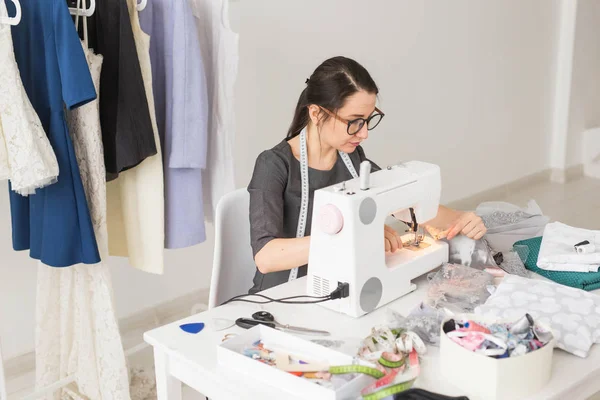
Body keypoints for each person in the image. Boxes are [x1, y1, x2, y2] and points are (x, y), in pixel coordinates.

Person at [247, 56, 486, 294]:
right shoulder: (274, 165)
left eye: (368, 120)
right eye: (354, 122)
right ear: (317, 114)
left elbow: (405, 203)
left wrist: (460, 219)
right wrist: (355, 236)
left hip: (337, 285)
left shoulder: (352, 159)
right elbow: (266, 258)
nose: (363, 134)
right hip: (279, 296)